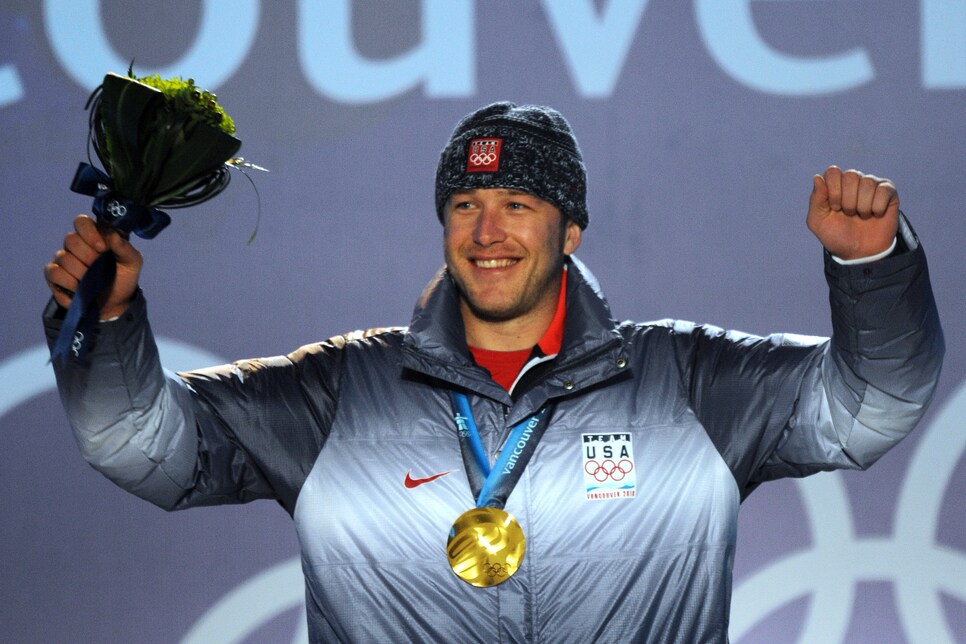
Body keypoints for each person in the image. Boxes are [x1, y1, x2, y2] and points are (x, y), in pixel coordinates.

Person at [44, 102, 943, 642]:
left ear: (571, 229)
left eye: (519, 204)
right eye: (466, 205)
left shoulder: (686, 379)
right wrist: (111, 322)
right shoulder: (338, 391)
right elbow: (146, 450)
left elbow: (870, 406)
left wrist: (873, 271)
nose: (487, 232)